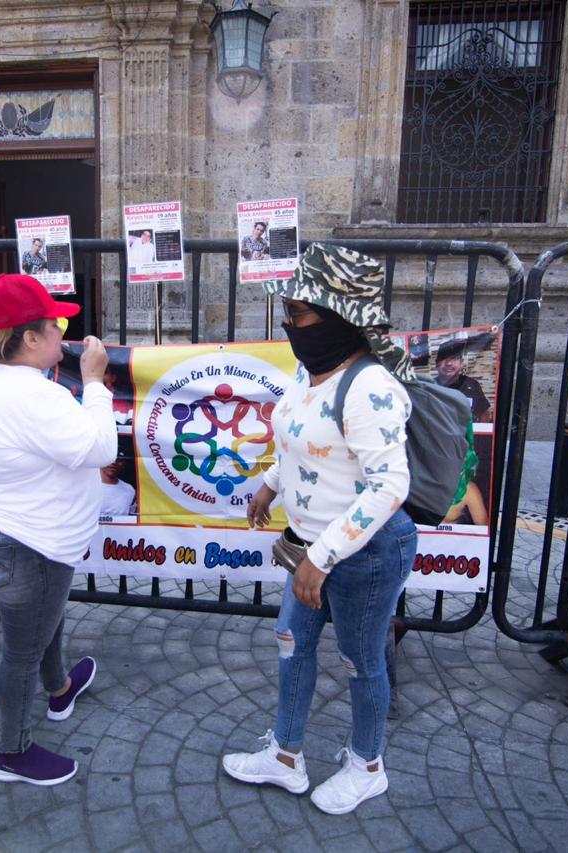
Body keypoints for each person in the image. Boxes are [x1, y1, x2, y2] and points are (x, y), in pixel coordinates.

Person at [222, 243, 417, 816]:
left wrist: (324, 555)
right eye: (286, 312)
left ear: (338, 317)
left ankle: (368, 765)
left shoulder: (370, 387)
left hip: (367, 552)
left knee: (362, 662)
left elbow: (389, 486)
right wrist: (271, 483)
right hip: (313, 550)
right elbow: (299, 444)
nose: (288, 325)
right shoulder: (311, 374)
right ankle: (286, 756)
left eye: (298, 314)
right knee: (291, 644)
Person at [0, 273, 115, 786]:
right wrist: (93, 381)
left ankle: (60, 688)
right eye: (56, 326)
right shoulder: (31, 396)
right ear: (29, 339)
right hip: (32, 543)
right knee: (22, 649)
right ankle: (13, 752)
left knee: (41, 622)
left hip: (11, 533)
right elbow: (102, 450)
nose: (64, 336)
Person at [433, 339, 492, 422]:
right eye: (444, 358)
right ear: (436, 364)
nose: (449, 363)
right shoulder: (430, 386)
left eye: (454, 358)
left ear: (461, 363)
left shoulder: (472, 385)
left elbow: (485, 413)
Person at [99, 449, 137, 517]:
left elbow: (132, 518)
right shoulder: (85, 486)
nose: (114, 462)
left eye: (119, 459)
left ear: (123, 463)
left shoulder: (129, 490)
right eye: (109, 458)